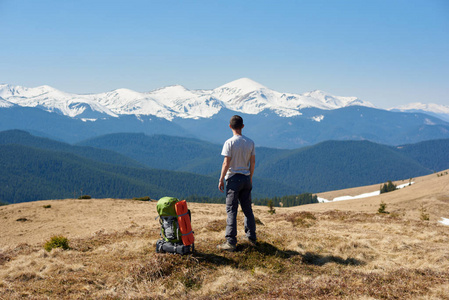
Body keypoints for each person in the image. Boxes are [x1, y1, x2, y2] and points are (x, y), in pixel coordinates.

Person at [217, 115, 257, 251]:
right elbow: (253, 162)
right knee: (247, 210)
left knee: (231, 210)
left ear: (230, 127)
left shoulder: (229, 143)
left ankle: (231, 242)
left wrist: (221, 178)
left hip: (233, 179)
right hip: (246, 178)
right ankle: (251, 237)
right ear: (243, 126)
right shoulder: (250, 142)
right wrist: (250, 177)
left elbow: (226, 162)